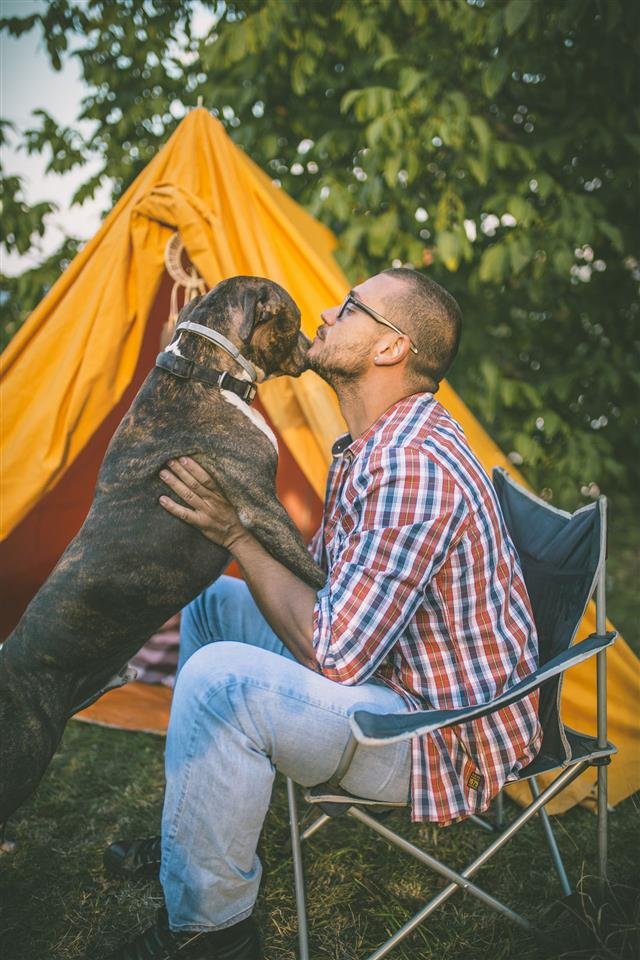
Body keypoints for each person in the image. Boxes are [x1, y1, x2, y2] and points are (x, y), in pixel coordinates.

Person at [100, 268, 542, 960]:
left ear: (391, 348)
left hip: (437, 738)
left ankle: (211, 934)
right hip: (395, 676)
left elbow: (335, 650)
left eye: (351, 307)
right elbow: (327, 583)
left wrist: (239, 534)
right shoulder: (374, 444)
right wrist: (241, 529)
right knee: (216, 604)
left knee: (221, 681)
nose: (328, 315)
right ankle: (193, 835)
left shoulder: (412, 465)